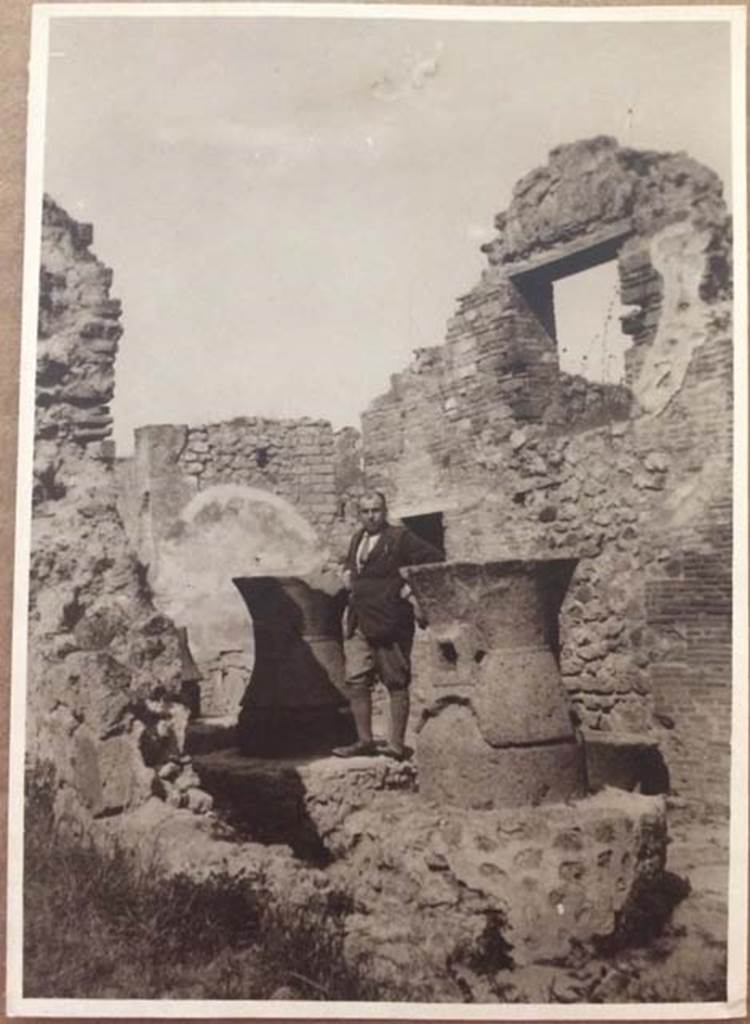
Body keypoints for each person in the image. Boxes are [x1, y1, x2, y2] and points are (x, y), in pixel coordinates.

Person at [333, 491, 442, 760]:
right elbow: (354, 566)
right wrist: (347, 572)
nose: (371, 516)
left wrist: (409, 588)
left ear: (385, 511)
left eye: (376, 510)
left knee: (395, 680)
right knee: (356, 678)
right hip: (359, 618)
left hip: (390, 620)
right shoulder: (358, 537)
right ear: (360, 514)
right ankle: (364, 740)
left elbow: (434, 557)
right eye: (366, 511)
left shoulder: (400, 537)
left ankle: (396, 744)